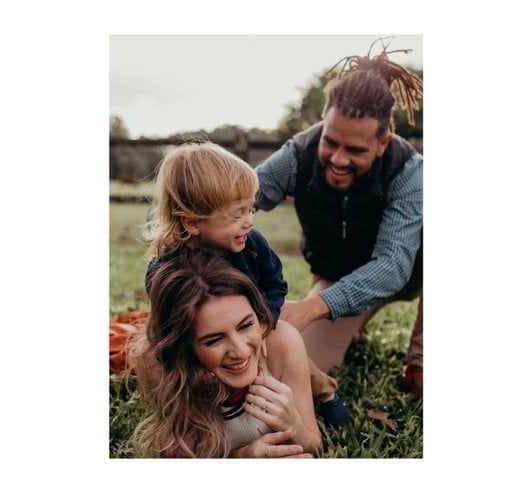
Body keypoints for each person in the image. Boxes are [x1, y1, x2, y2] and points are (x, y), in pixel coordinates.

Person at [254, 43, 424, 400]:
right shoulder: (297, 154)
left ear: (383, 143)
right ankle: (352, 320)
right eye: (330, 142)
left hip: (410, 272)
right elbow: (241, 195)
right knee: (294, 363)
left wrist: (310, 309)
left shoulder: (409, 170)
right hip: (337, 275)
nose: (338, 159)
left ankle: (420, 365)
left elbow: (393, 266)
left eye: (356, 150)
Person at [142, 141, 350, 426]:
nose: (249, 221)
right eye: (237, 214)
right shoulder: (165, 269)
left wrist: (264, 324)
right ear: (192, 222)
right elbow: (165, 323)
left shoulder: (251, 244)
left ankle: (326, 393)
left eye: (250, 209)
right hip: (202, 341)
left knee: (283, 342)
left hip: (251, 326)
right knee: (151, 355)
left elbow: (275, 284)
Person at [129, 251, 321, 458]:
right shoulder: (158, 362)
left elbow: (314, 445)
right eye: (214, 340)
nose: (241, 351)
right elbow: (183, 454)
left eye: (246, 325)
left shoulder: (283, 342)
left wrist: (294, 425)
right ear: (183, 346)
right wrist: (242, 456)